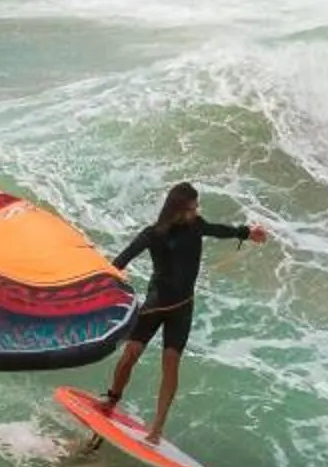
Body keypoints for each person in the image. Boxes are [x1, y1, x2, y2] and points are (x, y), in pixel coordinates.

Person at [97, 182, 268, 443]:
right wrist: (102, 283)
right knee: (131, 353)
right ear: (177, 209)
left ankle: (157, 429)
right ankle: (111, 400)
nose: (196, 211)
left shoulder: (196, 226)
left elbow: (219, 230)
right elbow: (120, 261)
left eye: (196, 207)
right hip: (156, 305)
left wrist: (246, 232)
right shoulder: (152, 234)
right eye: (192, 208)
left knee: (171, 362)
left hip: (182, 308)